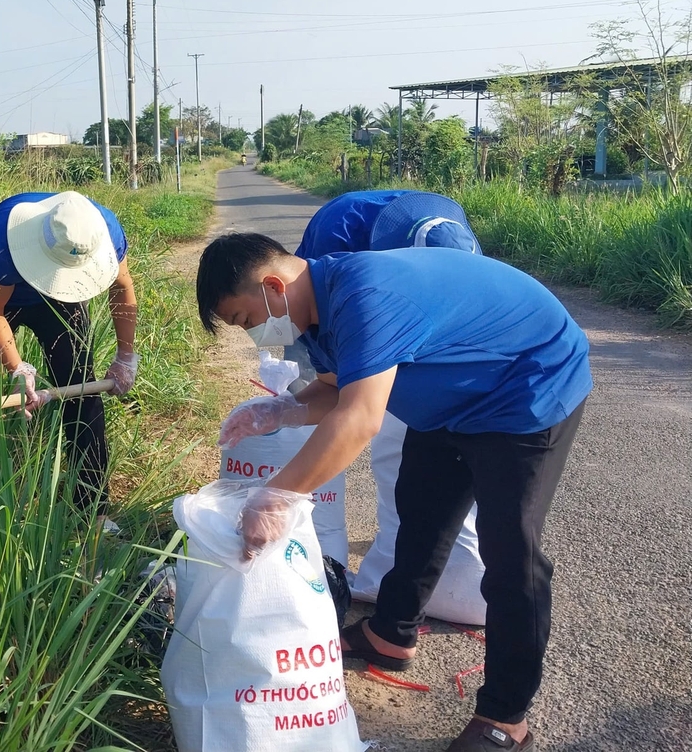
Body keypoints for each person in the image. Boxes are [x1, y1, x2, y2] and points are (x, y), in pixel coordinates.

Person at [196, 234, 591, 752]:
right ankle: (391, 634)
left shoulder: (365, 296)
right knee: (421, 512)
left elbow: (359, 419)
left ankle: (505, 718)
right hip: (452, 395)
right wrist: (282, 410)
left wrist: (275, 496)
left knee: (510, 551)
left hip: (525, 385)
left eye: (246, 320)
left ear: (273, 287)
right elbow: (336, 387)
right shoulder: (314, 312)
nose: (254, 335)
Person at [289, 190, 486, 621]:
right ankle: (411, 583)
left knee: (425, 459)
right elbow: (319, 323)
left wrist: (277, 495)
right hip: (353, 317)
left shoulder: (455, 245)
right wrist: (294, 408)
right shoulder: (341, 232)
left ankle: (424, 582)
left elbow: (361, 417)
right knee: (398, 458)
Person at [0, 190, 138, 524]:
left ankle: (92, 509)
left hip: (62, 296)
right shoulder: (2, 237)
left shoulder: (105, 229)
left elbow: (122, 288)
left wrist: (126, 356)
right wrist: (16, 367)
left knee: (81, 390)